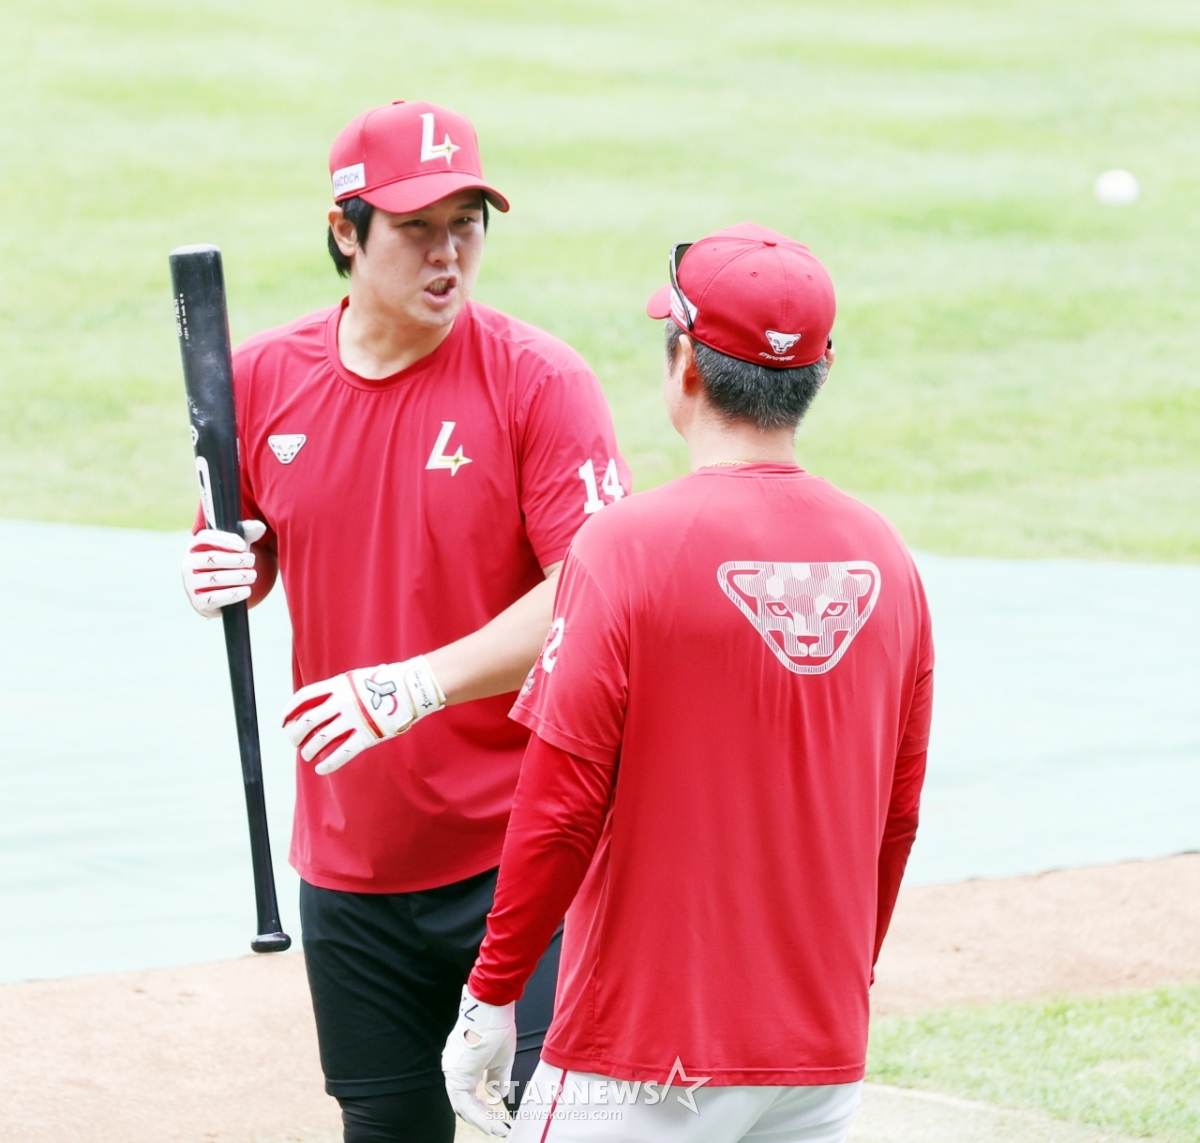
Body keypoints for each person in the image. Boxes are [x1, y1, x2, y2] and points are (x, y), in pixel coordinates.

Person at [179, 99, 630, 1143]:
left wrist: (415, 684)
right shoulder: (261, 381)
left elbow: (593, 591)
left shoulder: (539, 381)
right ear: (346, 231)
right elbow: (242, 549)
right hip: (352, 856)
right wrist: (220, 571)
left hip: (527, 843)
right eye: (417, 227)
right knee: (387, 1127)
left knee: (564, 1122)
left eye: (466, 223)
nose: (448, 254)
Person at [440, 224, 934, 1142]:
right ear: (819, 371)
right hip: (818, 1060)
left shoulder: (624, 548)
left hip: (638, 1058)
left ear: (687, 366)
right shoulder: (889, 559)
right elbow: (896, 818)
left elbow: (560, 805)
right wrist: (837, 982)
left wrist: (492, 994)